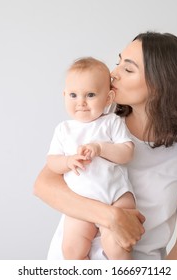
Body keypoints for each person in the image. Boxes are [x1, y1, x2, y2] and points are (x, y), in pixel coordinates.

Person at [34, 31, 177, 260]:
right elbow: (43, 185)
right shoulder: (97, 121)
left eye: (128, 69)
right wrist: (111, 217)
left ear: (160, 84)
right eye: (118, 63)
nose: (113, 73)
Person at [46, 57, 136, 260]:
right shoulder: (64, 130)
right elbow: (52, 162)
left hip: (115, 197)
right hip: (82, 203)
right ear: (64, 96)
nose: (81, 102)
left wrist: (100, 148)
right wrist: (68, 162)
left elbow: (127, 152)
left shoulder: (111, 122)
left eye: (91, 95)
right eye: (73, 95)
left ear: (108, 98)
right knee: (71, 250)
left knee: (117, 247)